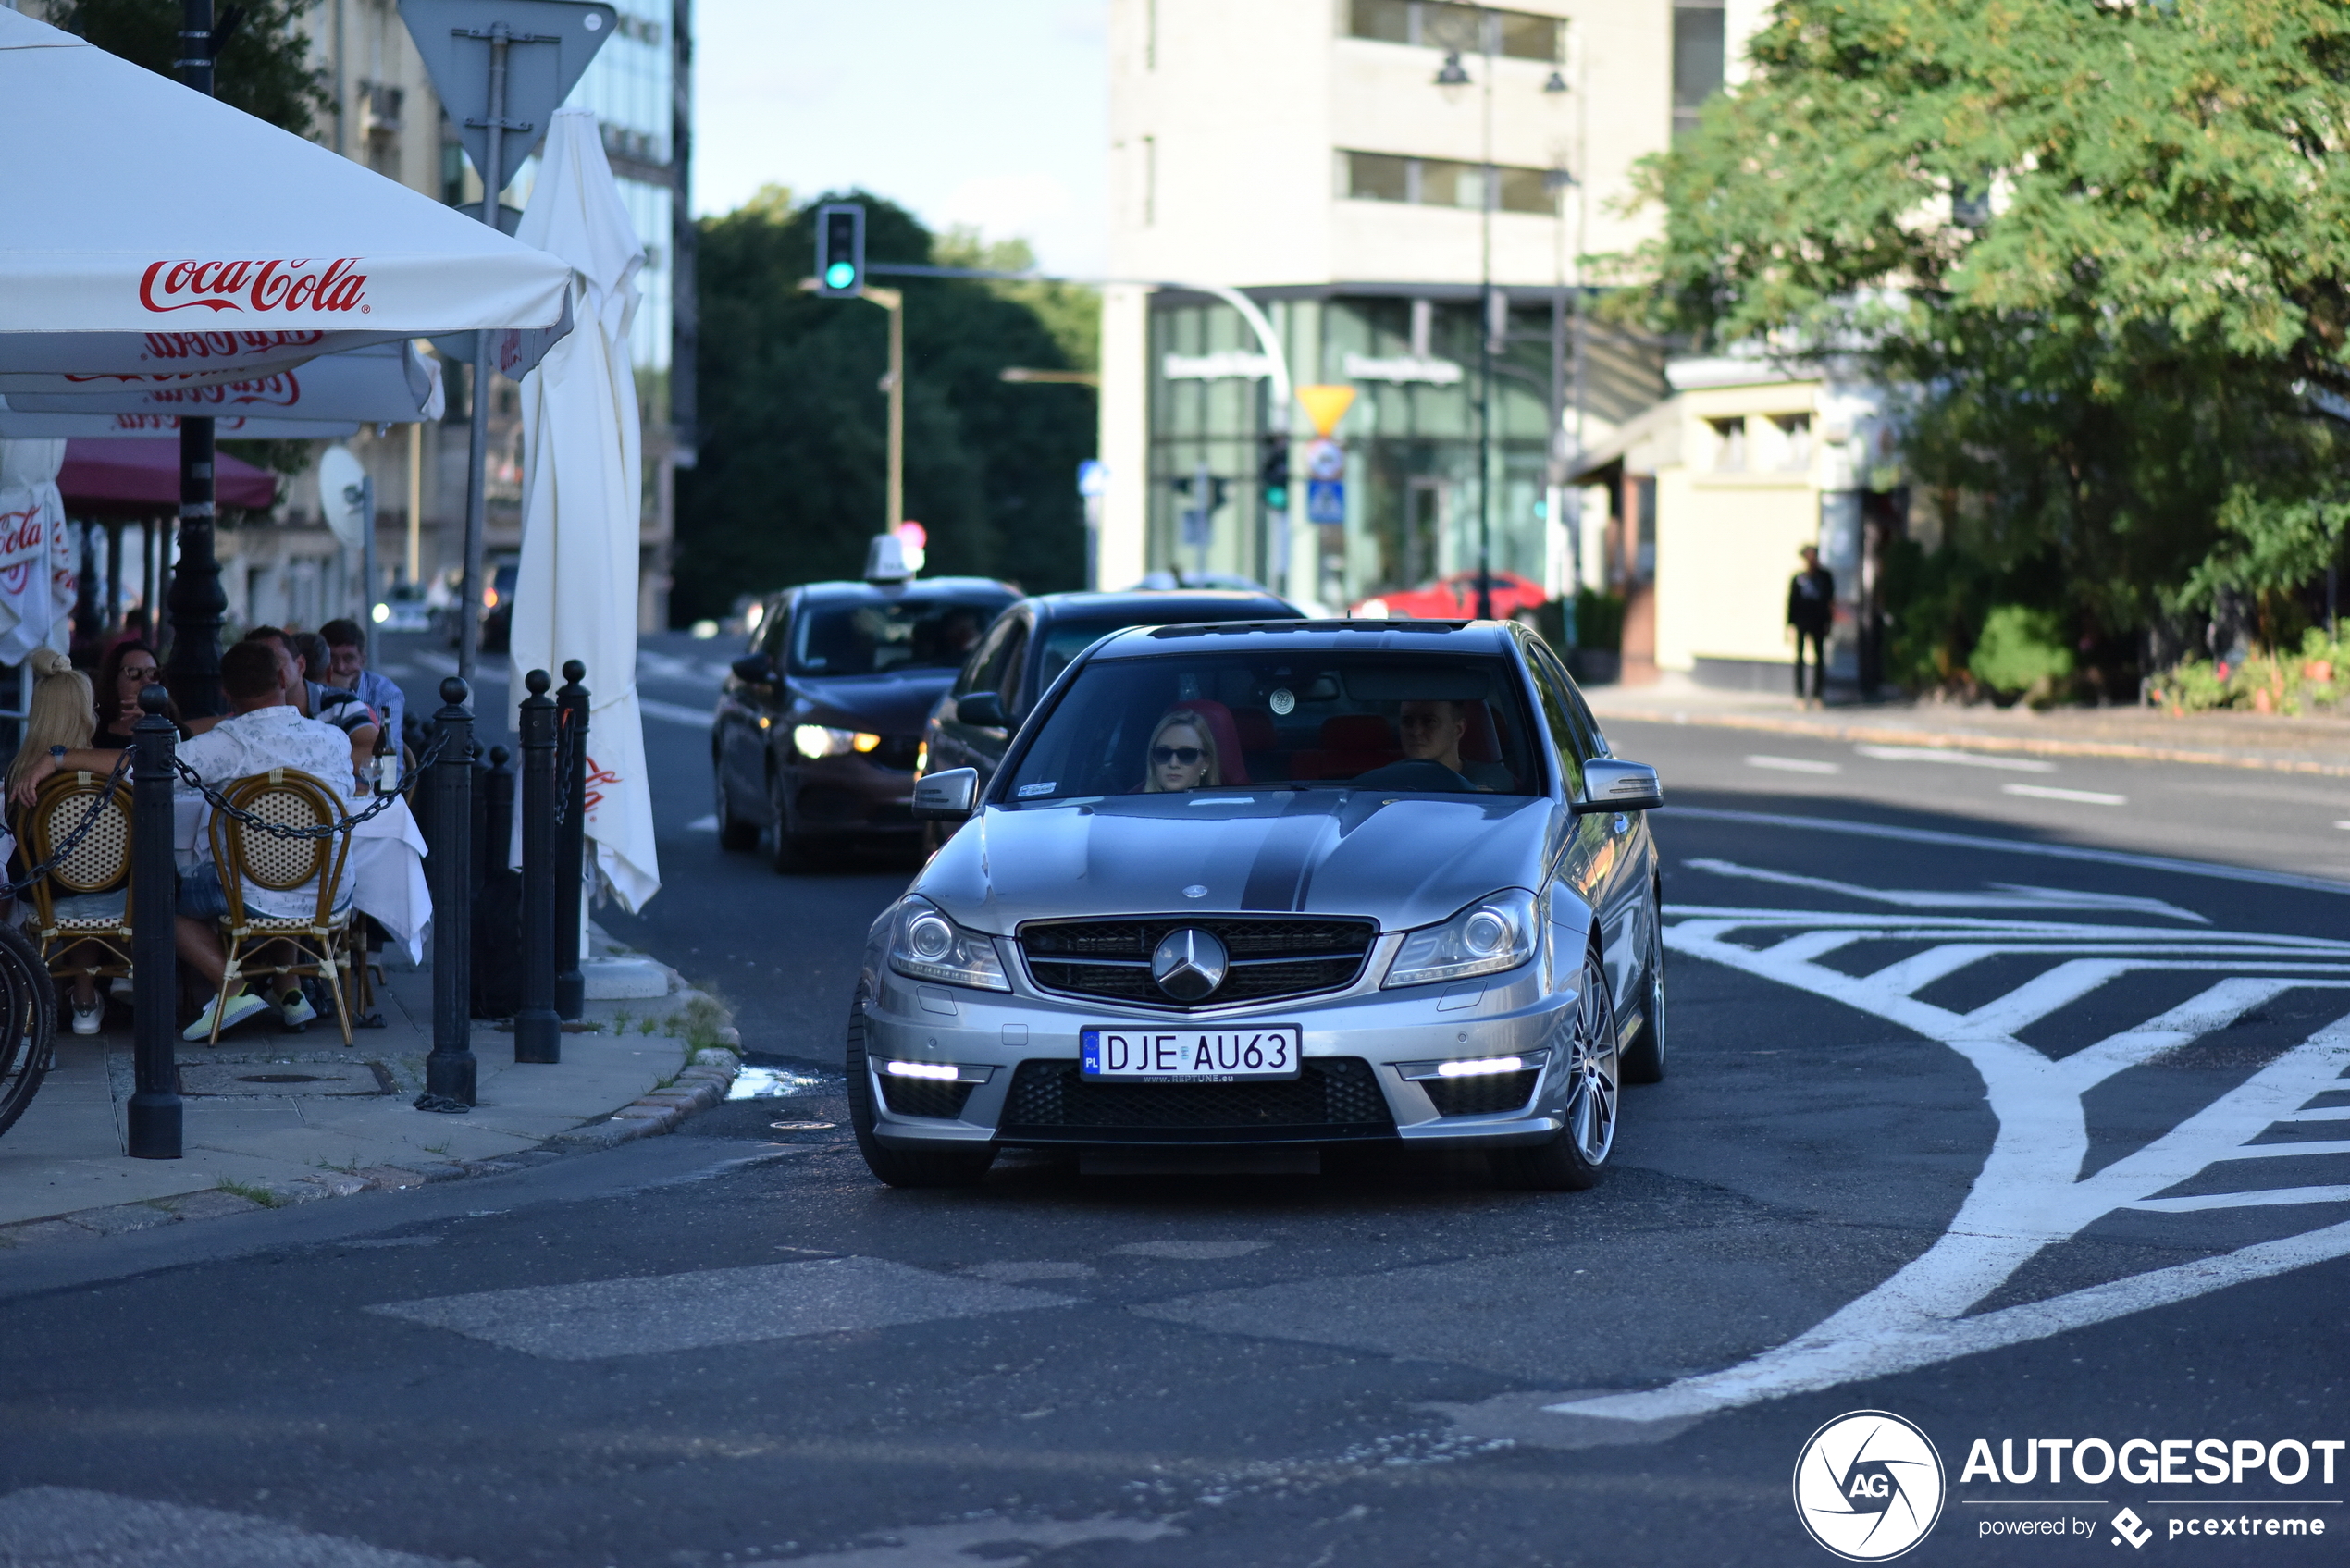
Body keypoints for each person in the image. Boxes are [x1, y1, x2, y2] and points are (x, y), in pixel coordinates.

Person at [15, 640, 360, 1041]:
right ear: (284, 677)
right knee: (277, 873)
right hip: (329, 894)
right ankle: (290, 989)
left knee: (159, 894)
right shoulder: (335, 739)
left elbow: (140, 765)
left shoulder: (227, 744)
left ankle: (230, 986)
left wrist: (59, 756)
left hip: (251, 893)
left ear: (225, 693)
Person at [6, 650, 112, 1035]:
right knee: (93, 883)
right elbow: (142, 760)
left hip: (46, 897)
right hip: (112, 895)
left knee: (65, 889)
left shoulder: (20, 774)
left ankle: (39, 999)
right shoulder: (106, 767)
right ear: (83, 712)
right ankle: (86, 995)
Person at [244, 626, 379, 789]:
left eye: (276, 661)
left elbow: (376, 753)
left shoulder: (341, 703)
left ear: (300, 665)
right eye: (256, 666)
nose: (268, 671)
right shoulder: (245, 706)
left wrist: (293, 763)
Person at [320, 618, 404, 748]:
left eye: (349, 658)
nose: (340, 667)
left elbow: (388, 753)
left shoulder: (385, 694)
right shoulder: (309, 686)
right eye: (331, 658)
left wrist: (342, 694)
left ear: (362, 660)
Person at [1394, 698, 1509, 790]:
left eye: (1429, 721)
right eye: (1407, 721)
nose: (1416, 731)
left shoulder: (1491, 778)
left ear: (1458, 729)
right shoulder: (1385, 780)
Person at [89, 639, 179, 751]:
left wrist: (151, 723)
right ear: (114, 679)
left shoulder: (173, 730)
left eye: (153, 673)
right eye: (134, 672)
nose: (146, 680)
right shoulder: (93, 733)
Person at [1787, 544, 1836, 706]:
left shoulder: (1824, 578)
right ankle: (1800, 694)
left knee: (1819, 658)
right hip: (1802, 622)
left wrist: (1829, 622)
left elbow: (1830, 602)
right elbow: (1791, 603)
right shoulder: (1798, 579)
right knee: (1799, 658)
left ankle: (1817, 695)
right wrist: (1789, 625)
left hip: (1818, 622)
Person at [1143, 709, 1219, 793]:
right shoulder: (1132, 804)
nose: (1173, 764)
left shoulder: (1223, 806)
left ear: (1206, 763)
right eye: (1163, 753)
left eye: (1187, 754)